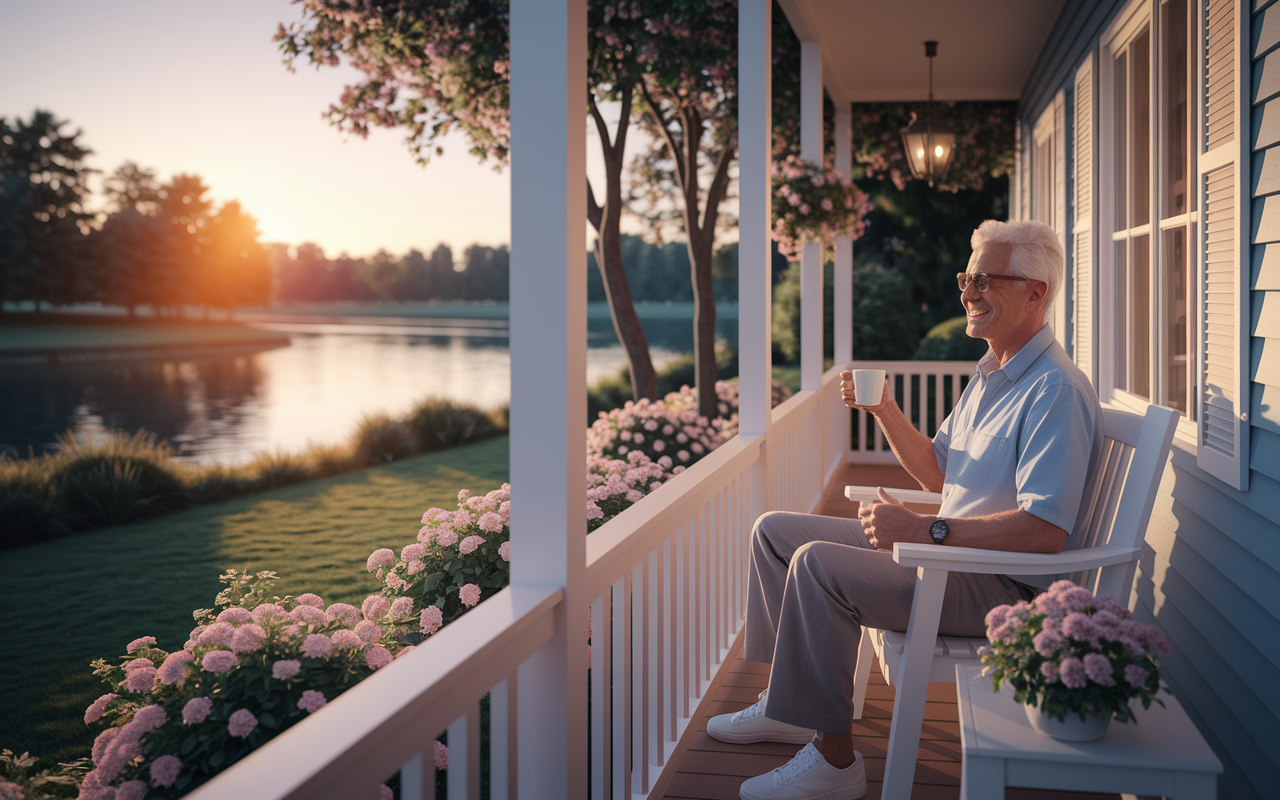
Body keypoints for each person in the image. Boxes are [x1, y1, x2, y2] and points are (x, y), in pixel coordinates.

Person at [708, 219, 1104, 800]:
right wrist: (886, 409)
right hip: (944, 558)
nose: (967, 292)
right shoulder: (992, 373)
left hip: (997, 588)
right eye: (966, 277)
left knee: (818, 564)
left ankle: (834, 762)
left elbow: (1045, 532)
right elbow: (940, 471)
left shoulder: (1055, 391)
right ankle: (791, 702)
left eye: (985, 280)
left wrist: (926, 529)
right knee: (775, 533)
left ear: (1035, 292)